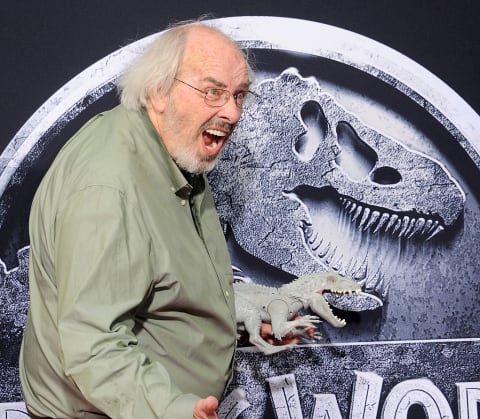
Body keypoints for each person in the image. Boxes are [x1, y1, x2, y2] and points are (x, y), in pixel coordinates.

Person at [19, 20, 256, 419]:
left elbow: (169, 286)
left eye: (239, 95)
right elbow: (93, 344)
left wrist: (249, 321)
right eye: (213, 92)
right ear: (158, 92)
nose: (231, 112)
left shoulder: (175, 153)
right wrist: (176, 410)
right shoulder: (110, 187)